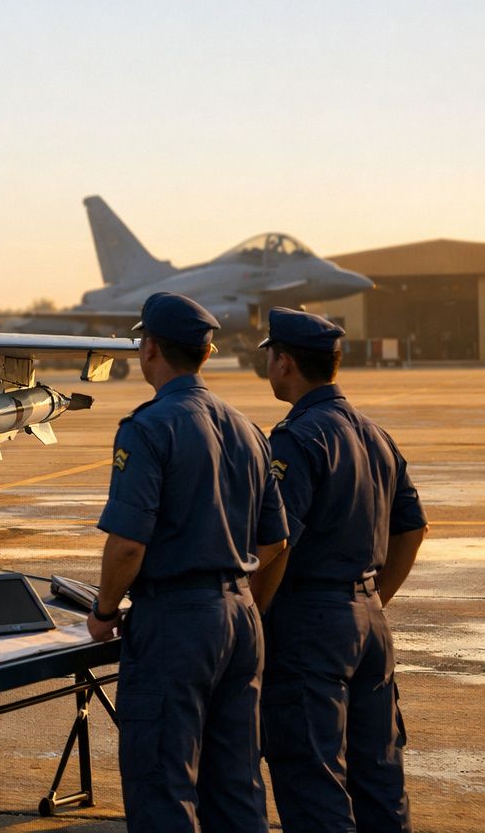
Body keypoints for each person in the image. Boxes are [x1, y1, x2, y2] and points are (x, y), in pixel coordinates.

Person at [87, 292, 288, 833]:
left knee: (163, 785)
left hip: (176, 622)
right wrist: (241, 600)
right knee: (236, 782)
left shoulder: (149, 427)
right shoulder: (249, 429)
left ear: (150, 349)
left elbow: (128, 543)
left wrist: (105, 611)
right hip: (240, 618)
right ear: (207, 352)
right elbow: (276, 542)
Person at [248, 307, 428, 833]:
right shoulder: (375, 434)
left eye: (271, 356)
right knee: (378, 775)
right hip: (369, 621)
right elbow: (411, 529)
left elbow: (276, 542)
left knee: (313, 776)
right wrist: (371, 599)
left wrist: (254, 617)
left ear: (284, 363)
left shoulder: (297, 438)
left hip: (310, 626)